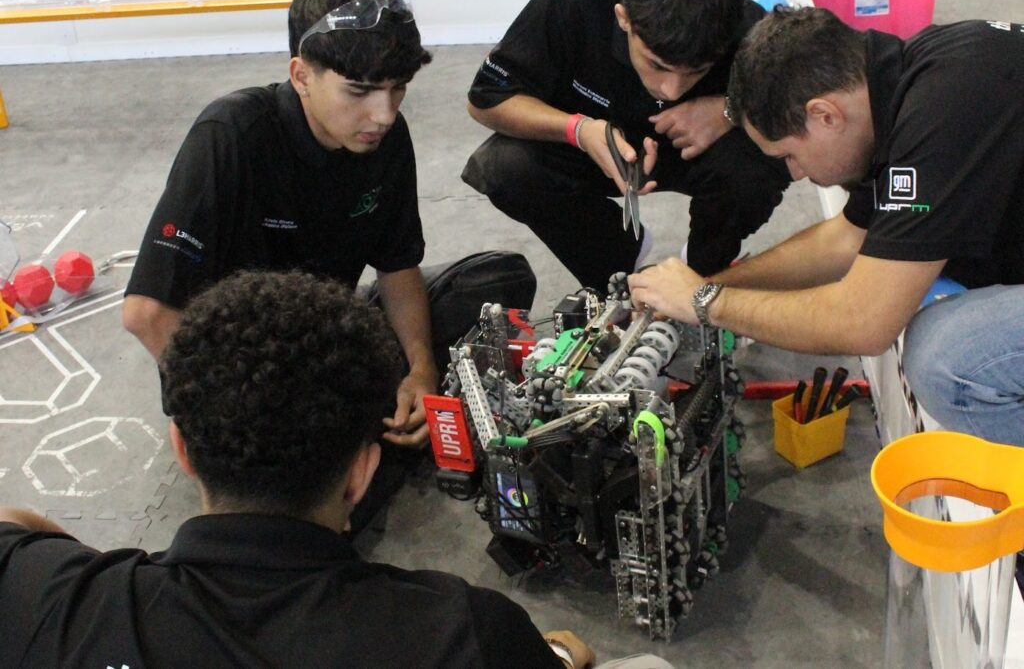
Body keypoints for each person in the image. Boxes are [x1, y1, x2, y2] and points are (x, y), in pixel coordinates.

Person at [0, 270, 671, 668]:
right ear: (362, 471)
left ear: (182, 448)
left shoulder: (51, 604)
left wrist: (81, 575)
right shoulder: (463, 633)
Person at [629, 7, 1024, 445]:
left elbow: (865, 323)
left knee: (950, 360)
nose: (795, 174)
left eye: (787, 156)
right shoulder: (907, 82)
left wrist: (707, 302)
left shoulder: (948, 106)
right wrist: (711, 284)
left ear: (825, 115)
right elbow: (845, 239)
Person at [124, 0, 438, 453]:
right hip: (237, 367)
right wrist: (233, 413)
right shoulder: (231, 134)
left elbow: (397, 265)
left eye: (398, 88)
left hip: (323, 333)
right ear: (301, 76)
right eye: (359, 91)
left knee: (495, 281)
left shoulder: (386, 140)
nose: (385, 114)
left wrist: (420, 370)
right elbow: (148, 313)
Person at [463, 0, 790, 290]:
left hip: (693, 151)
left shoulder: (748, 26)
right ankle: (617, 266)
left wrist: (728, 110)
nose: (671, 90)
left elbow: (808, 102)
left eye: (696, 72)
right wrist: (578, 130)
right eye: (656, 65)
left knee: (766, 157)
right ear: (623, 18)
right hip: (597, 145)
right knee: (504, 166)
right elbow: (487, 98)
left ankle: (701, 271)